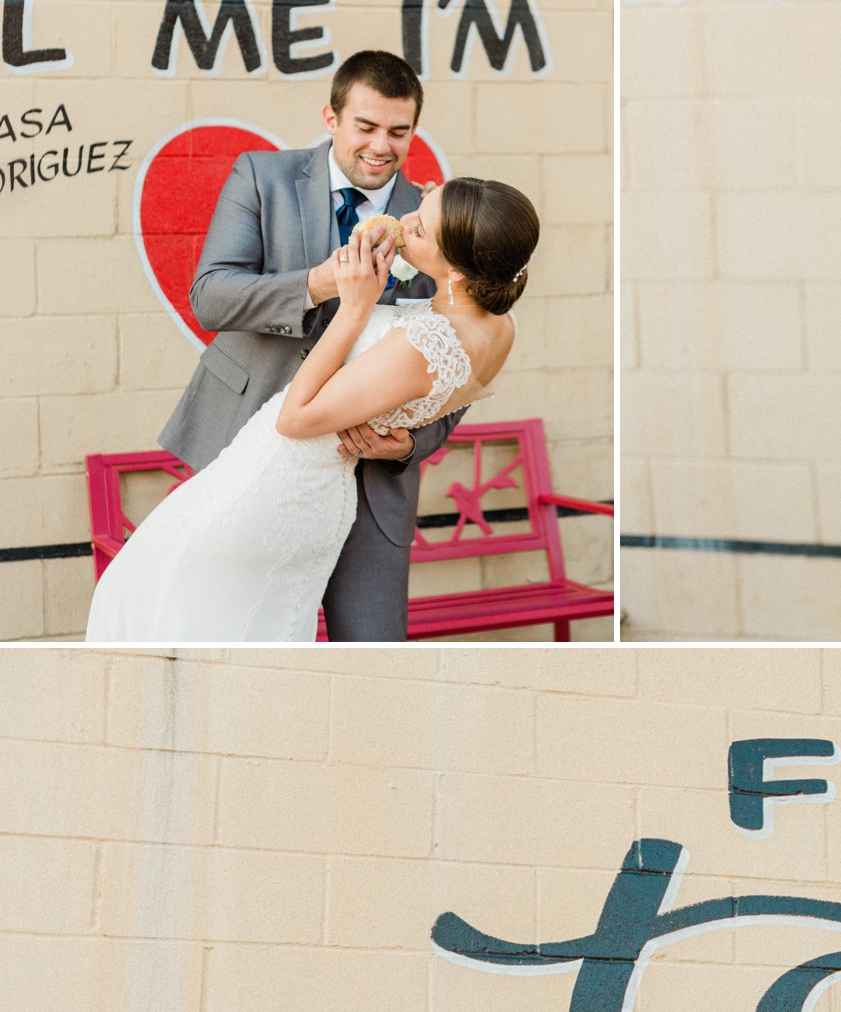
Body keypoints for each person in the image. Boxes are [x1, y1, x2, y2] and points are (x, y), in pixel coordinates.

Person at [88, 178, 535, 643]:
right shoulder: (500, 323)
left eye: (419, 231)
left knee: (166, 608)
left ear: (460, 272)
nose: (403, 224)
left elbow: (294, 420)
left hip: (273, 487)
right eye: (420, 204)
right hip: (306, 493)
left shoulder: (426, 342)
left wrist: (355, 309)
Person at [148, 51, 465, 640]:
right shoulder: (261, 177)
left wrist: (407, 445)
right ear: (331, 118)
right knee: (229, 635)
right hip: (250, 453)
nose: (381, 146)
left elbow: (457, 356)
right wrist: (323, 281)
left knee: (372, 652)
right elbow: (212, 296)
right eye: (365, 127)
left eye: (399, 132)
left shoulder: (431, 219)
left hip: (369, 481)